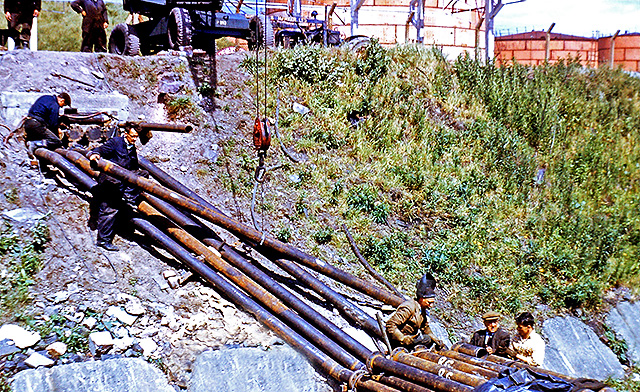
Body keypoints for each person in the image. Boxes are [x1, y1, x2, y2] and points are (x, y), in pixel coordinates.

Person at [88, 127, 146, 251]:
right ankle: (103, 241)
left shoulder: (131, 148)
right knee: (109, 210)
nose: (134, 139)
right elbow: (101, 149)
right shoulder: (116, 142)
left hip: (122, 180)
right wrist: (95, 154)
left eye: (136, 137)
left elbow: (133, 166)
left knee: (144, 175)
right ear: (126, 134)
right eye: (132, 136)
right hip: (110, 181)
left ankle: (129, 195)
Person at [386, 273, 446, 351]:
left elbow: (424, 327)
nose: (431, 305)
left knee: (428, 339)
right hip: (398, 340)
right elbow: (390, 324)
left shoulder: (421, 309)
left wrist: (435, 338)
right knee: (426, 339)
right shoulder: (409, 307)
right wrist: (402, 338)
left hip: (410, 339)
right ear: (421, 299)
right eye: (429, 302)